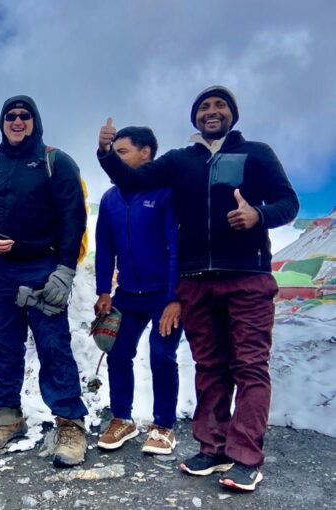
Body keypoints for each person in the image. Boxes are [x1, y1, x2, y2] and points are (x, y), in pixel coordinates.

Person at [97, 86, 299, 492]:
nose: (211, 111)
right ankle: (213, 447)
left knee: (249, 366)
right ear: (194, 116)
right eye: (204, 106)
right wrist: (105, 154)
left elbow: (288, 203)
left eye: (220, 105)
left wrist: (257, 214)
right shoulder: (178, 162)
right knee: (210, 367)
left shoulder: (256, 153)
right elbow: (131, 179)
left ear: (232, 113)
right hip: (196, 282)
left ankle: (245, 457)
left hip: (246, 275)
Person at [0, 95, 89, 468]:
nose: (17, 121)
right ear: (2, 123)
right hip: (3, 269)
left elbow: (74, 217)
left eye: (24, 116)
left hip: (44, 267)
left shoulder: (57, 162)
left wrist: (65, 269)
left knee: (54, 345)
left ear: (35, 121)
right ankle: (8, 418)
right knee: (3, 345)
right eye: (10, 116)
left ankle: (70, 425)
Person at [93, 126, 183, 455]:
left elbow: (176, 248)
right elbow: (105, 249)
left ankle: (163, 426)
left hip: (163, 294)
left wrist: (175, 297)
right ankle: (122, 419)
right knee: (118, 352)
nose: (117, 160)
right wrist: (104, 291)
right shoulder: (110, 199)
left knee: (161, 354)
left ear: (146, 153)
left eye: (123, 152)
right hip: (128, 294)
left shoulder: (165, 193)